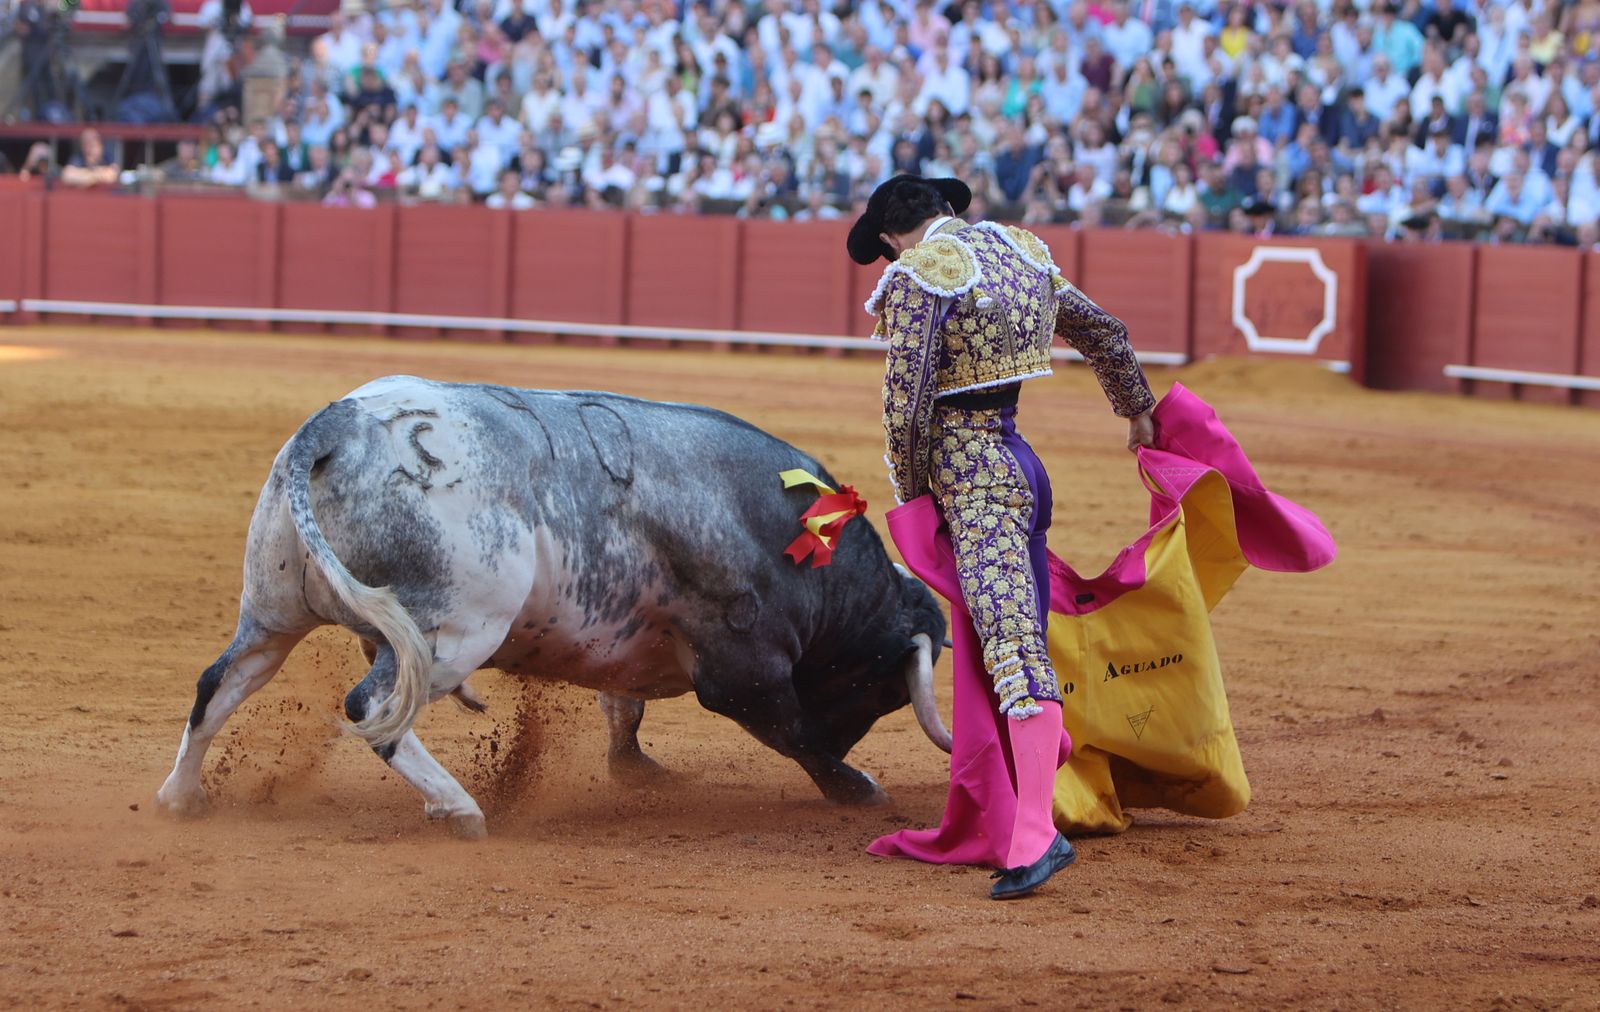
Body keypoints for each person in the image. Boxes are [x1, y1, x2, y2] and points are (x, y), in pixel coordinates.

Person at [848, 175, 1156, 900]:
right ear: (947, 210)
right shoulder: (1022, 250)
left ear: (893, 236)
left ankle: (1033, 834)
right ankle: (1001, 808)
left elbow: (907, 405)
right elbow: (1105, 331)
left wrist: (914, 496)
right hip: (1023, 467)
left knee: (1011, 646)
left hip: (976, 483)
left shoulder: (923, 272)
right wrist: (1137, 409)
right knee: (1003, 637)